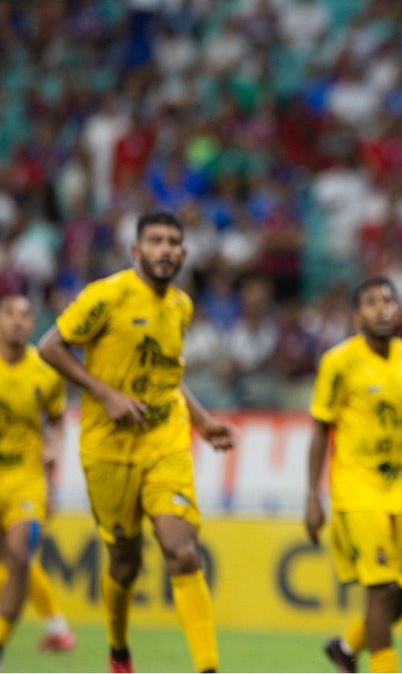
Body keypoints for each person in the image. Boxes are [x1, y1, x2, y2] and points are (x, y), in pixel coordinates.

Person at [38, 211, 238, 674]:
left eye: (173, 242)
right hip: (108, 448)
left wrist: (203, 421)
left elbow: (169, 376)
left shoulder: (181, 307)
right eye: (155, 241)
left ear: (184, 254)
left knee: (181, 550)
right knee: (124, 564)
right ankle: (118, 648)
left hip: (165, 442)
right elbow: (51, 346)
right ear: (136, 250)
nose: (165, 249)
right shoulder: (107, 295)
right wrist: (104, 394)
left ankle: (208, 667)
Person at [305, 277, 402, 674]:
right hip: (356, 489)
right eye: (371, 302)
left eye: (388, 300)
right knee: (381, 591)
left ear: (399, 310)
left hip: (401, 490)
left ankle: (346, 647)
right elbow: (318, 431)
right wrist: (313, 497)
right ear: (356, 314)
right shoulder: (339, 361)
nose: (382, 308)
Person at [0, 294, 66, 668]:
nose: (18, 321)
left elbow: (57, 421)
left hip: (25, 478)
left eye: (25, 315)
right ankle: (57, 626)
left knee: (21, 555)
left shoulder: (45, 374)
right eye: (9, 313)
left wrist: (54, 447)